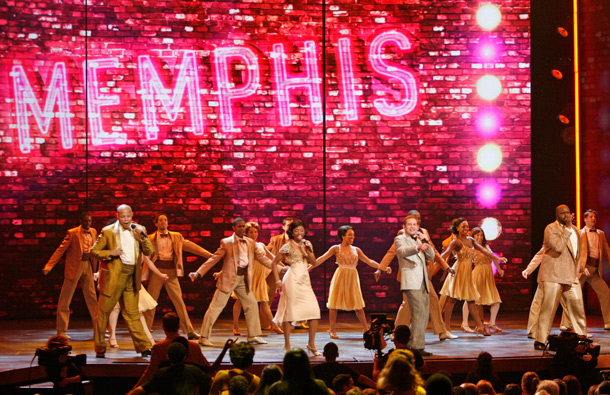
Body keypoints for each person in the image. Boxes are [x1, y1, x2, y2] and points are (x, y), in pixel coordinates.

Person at [189, 218, 272, 346]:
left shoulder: (250, 242)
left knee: (252, 304)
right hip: (228, 279)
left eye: (243, 226)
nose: (242, 228)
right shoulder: (227, 242)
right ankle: (204, 336)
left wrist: (279, 268)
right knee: (216, 307)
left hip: (242, 279)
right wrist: (199, 272)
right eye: (239, 226)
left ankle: (253, 335)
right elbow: (214, 258)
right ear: (233, 228)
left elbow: (262, 258)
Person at [376, 210, 457, 341]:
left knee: (433, 300)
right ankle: (397, 332)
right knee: (408, 303)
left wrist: (446, 267)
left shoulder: (423, 232)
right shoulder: (403, 234)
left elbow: (434, 251)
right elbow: (392, 252)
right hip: (410, 274)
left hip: (423, 274)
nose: (417, 222)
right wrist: (380, 268)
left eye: (419, 219)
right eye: (415, 219)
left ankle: (441, 331)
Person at [91, 204, 154, 358]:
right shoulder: (108, 232)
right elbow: (94, 251)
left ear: (132, 215)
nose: (126, 219)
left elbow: (150, 251)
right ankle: (100, 347)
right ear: (117, 216)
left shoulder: (139, 229)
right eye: (122, 216)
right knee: (104, 313)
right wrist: (110, 253)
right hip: (113, 276)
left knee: (132, 313)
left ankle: (144, 346)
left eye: (128, 216)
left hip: (131, 276)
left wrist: (143, 237)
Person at [144, 213, 212, 340]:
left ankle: (189, 331)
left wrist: (209, 256)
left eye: (165, 220)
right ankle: (146, 331)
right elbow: (141, 254)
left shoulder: (176, 237)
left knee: (179, 302)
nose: (163, 222)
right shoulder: (150, 238)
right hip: (157, 271)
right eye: (161, 220)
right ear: (156, 223)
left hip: (171, 272)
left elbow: (191, 246)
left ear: (168, 223)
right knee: (151, 302)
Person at [313, 225, 389, 337]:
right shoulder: (336, 248)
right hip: (340, 276)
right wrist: (309, 267)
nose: (352, 237)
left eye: (353, 235)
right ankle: (332, 330)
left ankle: (365, 328)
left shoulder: (356, 250)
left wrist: (383, 267)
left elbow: (369, 261)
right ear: (343, 236)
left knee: (357, 303)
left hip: (352, 277)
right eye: (349, 235)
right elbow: (321, 259)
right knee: (334, 304)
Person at [440, 218, 507, 336]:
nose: (466, 229)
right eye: (463, 227)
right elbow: (445, 254)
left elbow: (483, 250)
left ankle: (480, 326)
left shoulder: (470, 240)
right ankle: (447, 328)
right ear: (457, 228)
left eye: (467, 226)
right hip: (458, 271)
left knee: (471, 299)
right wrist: (437, 262)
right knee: (452, 300)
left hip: (467, 272)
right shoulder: (455, 242)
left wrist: (498, 258)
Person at [534, 205, 587, 350]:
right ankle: (540, 340)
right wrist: (567, 230)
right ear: (557, 215)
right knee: (549, 308)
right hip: (553, 275)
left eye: (568, 213)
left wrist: (578, 270)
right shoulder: (551, 228)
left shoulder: (576, 231)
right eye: (562, 213)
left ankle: (582, 338)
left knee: (577, 306)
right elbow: (558, 246)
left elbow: (579, 252)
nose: (566, 215)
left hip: (570, 275)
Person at [43, 212, 98, 338]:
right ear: (81, 221)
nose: (88, 223)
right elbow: (60, 250)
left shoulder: (94, 232)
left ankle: (98, 329)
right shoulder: (72, 233)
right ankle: (61, 330)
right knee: (65, 299)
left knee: (92, 299)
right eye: (86, 221)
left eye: (90, 221)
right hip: (74, 267)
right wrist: (49, 266)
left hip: (87, 266)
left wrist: (96, 269)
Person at [271, 219, 321, 355]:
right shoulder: (287, 246)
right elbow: (274, 262)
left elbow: (314, 262)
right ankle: (287, 345)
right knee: (290, 312)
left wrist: (308, 249)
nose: (299, 233)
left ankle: (311, 344)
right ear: (292, 233)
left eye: (301, 230)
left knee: (314, 312)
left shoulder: (307, 244)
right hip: (292, 279)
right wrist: (277, 281)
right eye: (296, 231)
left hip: (304, 280)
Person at [392, 214, 435, 355]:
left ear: (418, 227)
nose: (412, 227)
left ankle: (411, 344)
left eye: (414, 225)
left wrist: (425, 242)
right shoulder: (399, 239)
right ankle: (416, 347)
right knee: (418, 313)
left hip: (423, 281)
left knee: (423, 314)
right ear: (404, 227)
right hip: (411, 281)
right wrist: (417, 247)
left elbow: (431, 256)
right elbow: (402, 251)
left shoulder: (420, 239)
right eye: (409, 224)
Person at [560, 209, 610, 331]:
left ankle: (608, 321)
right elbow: (575, 251)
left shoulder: (601, 233)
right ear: (585, 219)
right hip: (582, 270)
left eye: (594, 217)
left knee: (606, 292)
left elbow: (607, 251)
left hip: (594, 271)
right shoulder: (579, 233)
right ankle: (566, 323)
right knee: (573, 295)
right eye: (591, 217)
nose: (593, 219)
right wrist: (580, 267)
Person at [231, 222, 284, 335]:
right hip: (248, 276)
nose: (254, 234)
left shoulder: (261, 245)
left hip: (260, 277)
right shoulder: (243, 244)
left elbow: (273, 259)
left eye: (255, 232)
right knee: (239, 301)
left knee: (264, 302)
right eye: (251, 232)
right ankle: (235, 326)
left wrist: (285, 268)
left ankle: (273, 325)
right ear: (246, 233)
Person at [105, 254, 169, 348]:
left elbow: (149, 262)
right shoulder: (123, 245)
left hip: (133, 282)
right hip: (119, 279)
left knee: (139, 311)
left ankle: (149, 339)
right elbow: (111, 261)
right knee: (115, 308)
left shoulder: (139, 246)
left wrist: (160, 274)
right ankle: (112, 336)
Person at [134, 312, 210, 388]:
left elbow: (150, 373)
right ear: (179, 326)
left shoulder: (159, 348)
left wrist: (134, 390)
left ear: (163, 327)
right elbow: (208, 368)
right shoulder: (194, 346)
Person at [127, 342, 212, 395]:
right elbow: (213, 381)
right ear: (184, 357)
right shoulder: (193, 371)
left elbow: (140, 390)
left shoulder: (160, 373)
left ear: (168, 356)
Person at [463, 228, 504, 332]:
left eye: (481, 235)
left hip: (488, 275)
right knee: (470, 299)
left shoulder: (486, 246)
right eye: (477, 235)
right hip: (478, 274)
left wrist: (499, 269)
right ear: (473, 236)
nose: (479, 237)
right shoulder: (471, 247)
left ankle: (492, 323)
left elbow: (493, 257)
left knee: (496, 301)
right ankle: (465, 323)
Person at [312, 342, 377, 390]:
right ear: (337, 355)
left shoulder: (316, 369)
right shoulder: (343, 368)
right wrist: (377, 386)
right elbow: (361, 379)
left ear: (323, 354)